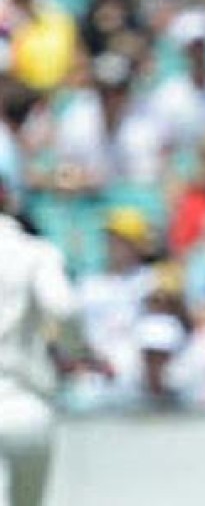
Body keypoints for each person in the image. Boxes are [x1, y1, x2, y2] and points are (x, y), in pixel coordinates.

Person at [0, 175, 100, 506]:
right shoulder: (34, 252)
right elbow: (64, 308)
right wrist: (79, 350)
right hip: (22, 407)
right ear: (7, 199)